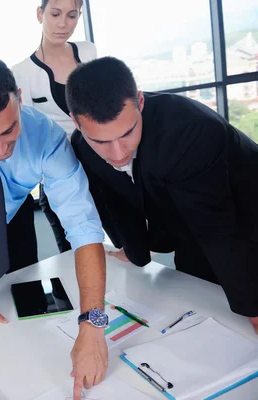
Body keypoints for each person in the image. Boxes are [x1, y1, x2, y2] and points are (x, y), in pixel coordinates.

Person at [0, 55, 108, 398]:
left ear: (20, 97)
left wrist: (93, 323)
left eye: (9, 130)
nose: (1, 148)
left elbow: (82, 223)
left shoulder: (44, 134)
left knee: (27, 288)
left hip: (15, 206)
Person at [67, 56, 258, 334]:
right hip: (191, 226)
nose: (118, 153)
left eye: (127, 133)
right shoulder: (82, 145)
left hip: (246, 211)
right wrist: (135, 252)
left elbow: (216, 230)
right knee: (201, 306)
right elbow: (117, 200)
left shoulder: (190, 129)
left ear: (140, 102)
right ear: (76, 122)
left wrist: (253, 309)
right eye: (101, 141)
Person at [12, 0, 96, 253]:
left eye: (71, 16)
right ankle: (66, 295)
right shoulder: (21, 72)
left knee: (113, 243)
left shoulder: (89, 52)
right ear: (40, 14)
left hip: (100, 165)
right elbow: (28, 134)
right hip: (60, 174)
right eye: (55, 14)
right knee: (71, 249)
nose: (63, 24)